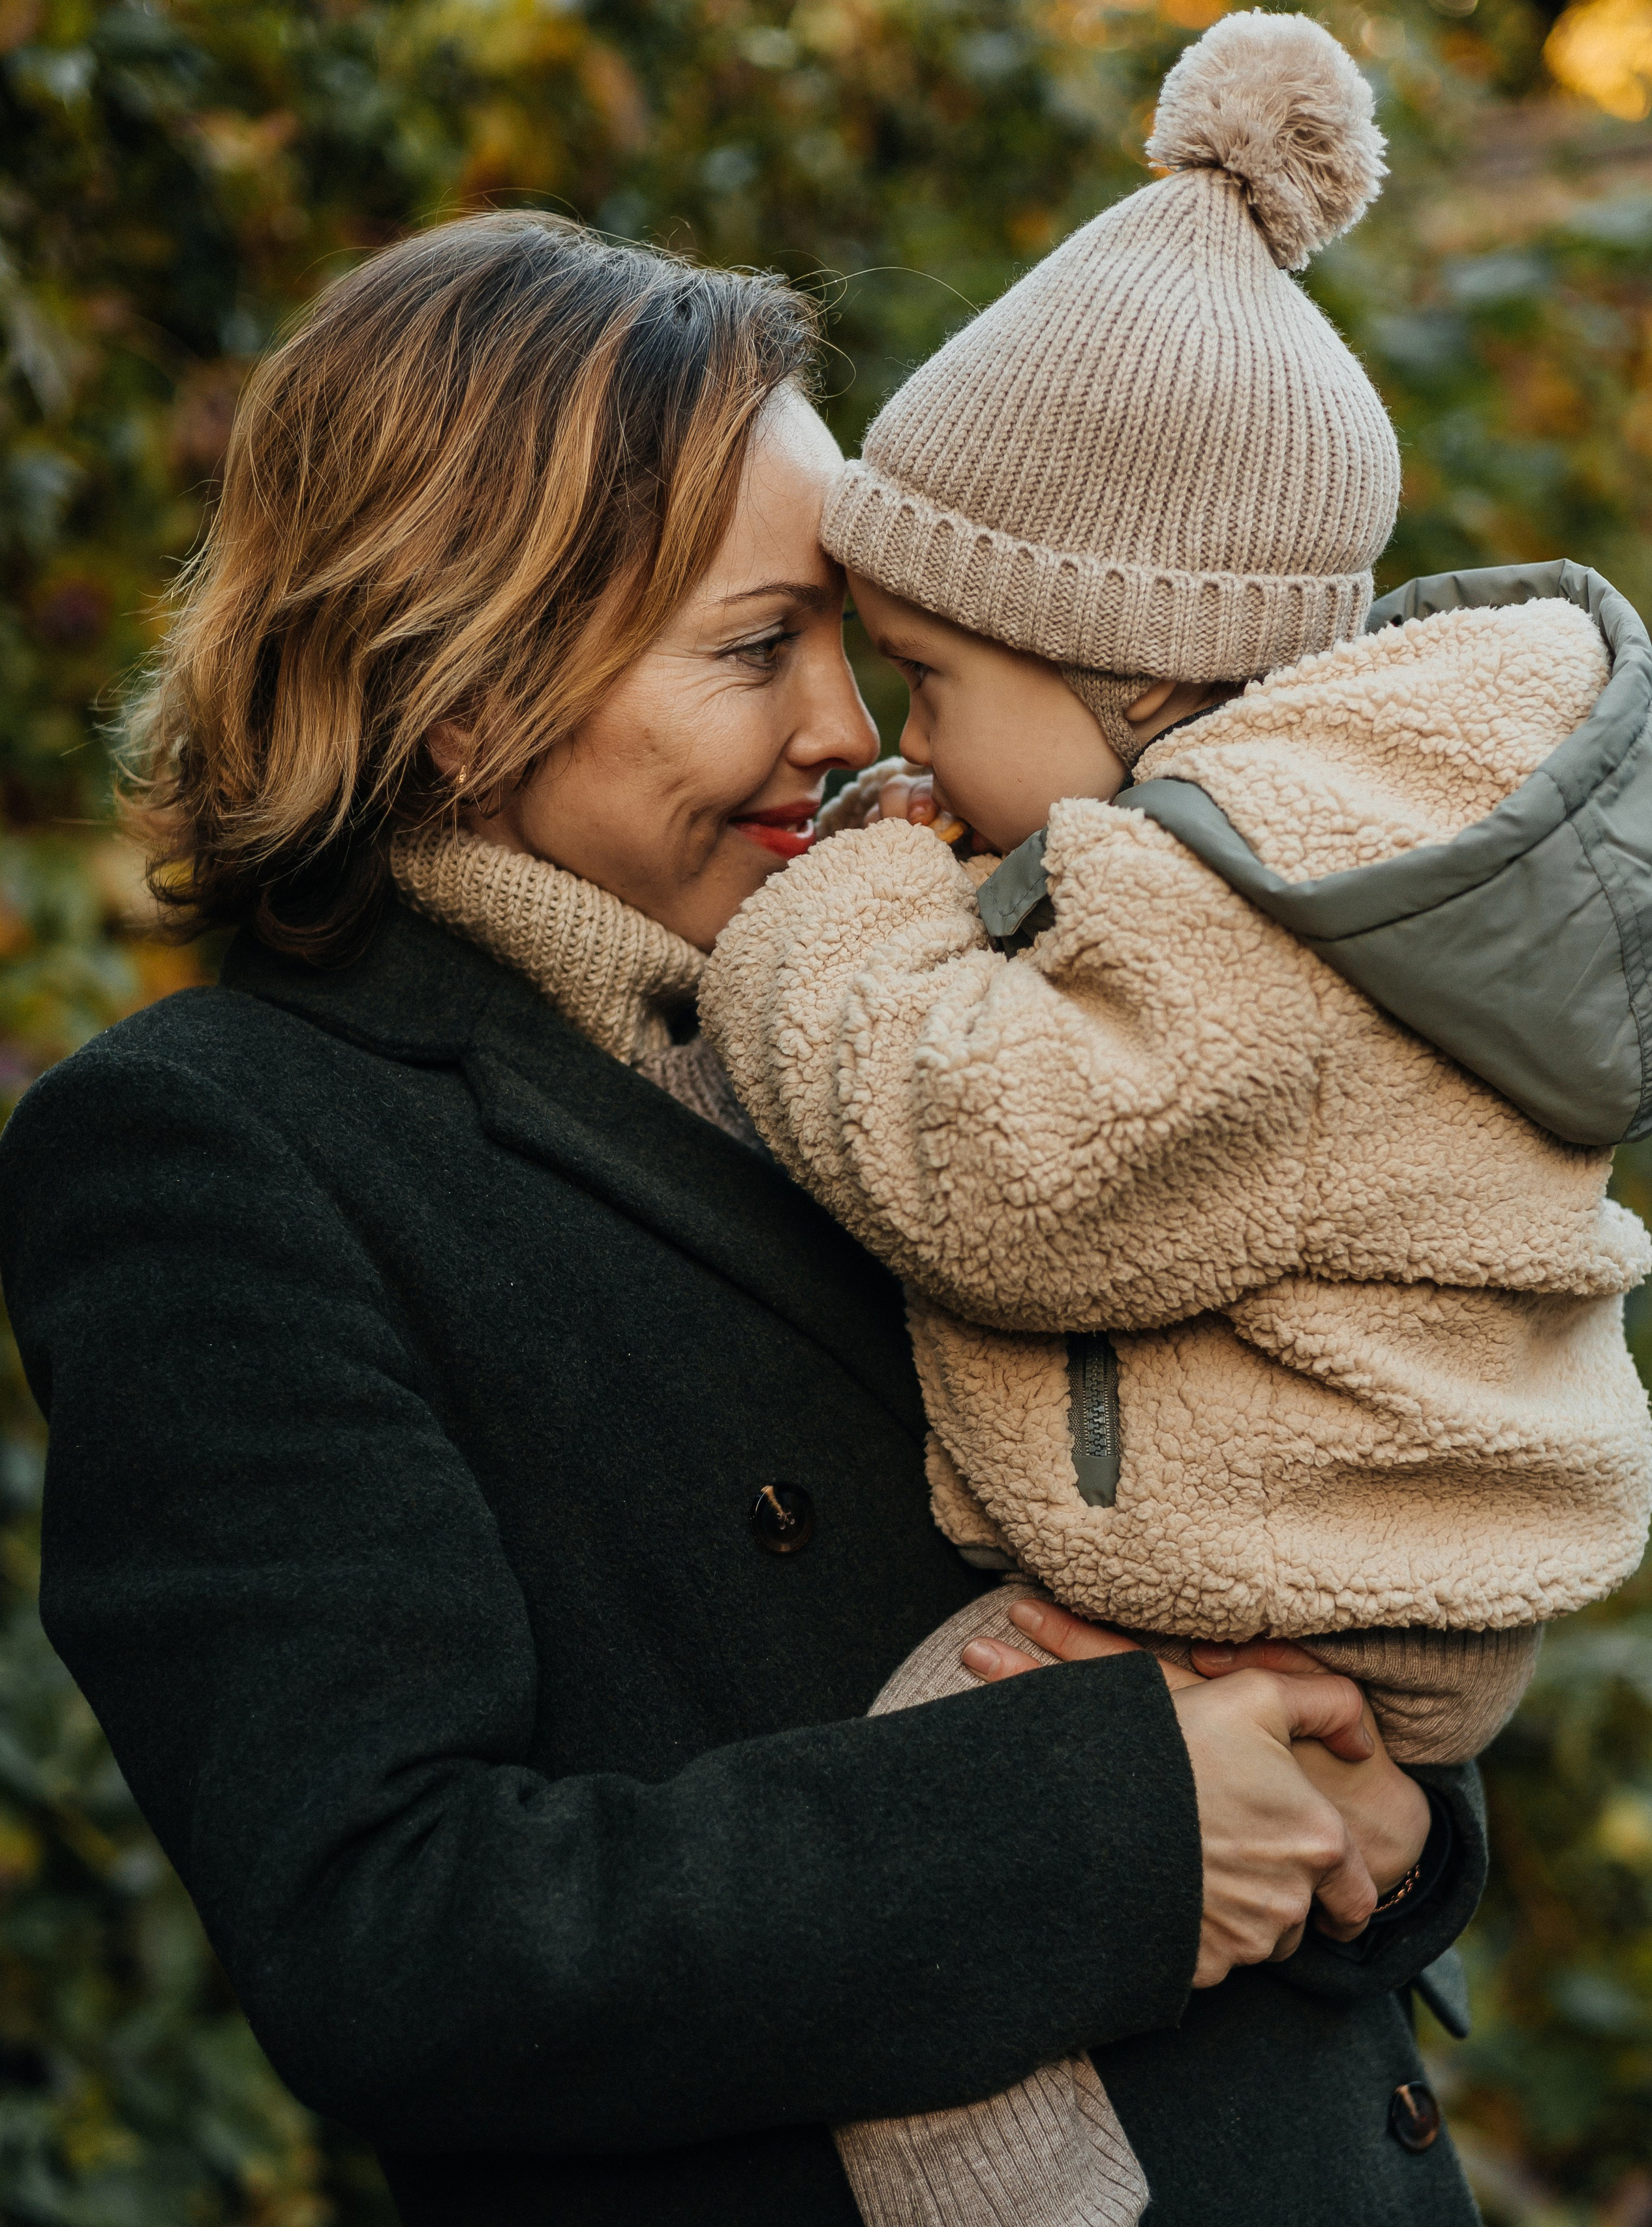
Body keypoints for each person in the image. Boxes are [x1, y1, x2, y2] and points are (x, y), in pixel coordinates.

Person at [0, 211, 1486, 2227]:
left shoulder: (946, 1001)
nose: (855, 728)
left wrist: (1395, 1804)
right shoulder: (223, 1152)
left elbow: (1275, 1474)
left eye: (862, 643)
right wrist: (1120, 1829)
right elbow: (396, 1936)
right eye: (758, 645)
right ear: (463, 691)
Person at [700, 16, 1652, 2227]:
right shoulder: (1362, 832)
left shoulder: (1240, 902)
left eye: (937, 684)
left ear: (1131, 672)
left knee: (939, 1823)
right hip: (1398, 1580)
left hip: (1286, 1564)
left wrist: (845, 900)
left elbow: (999, 1175)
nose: (899, 744)